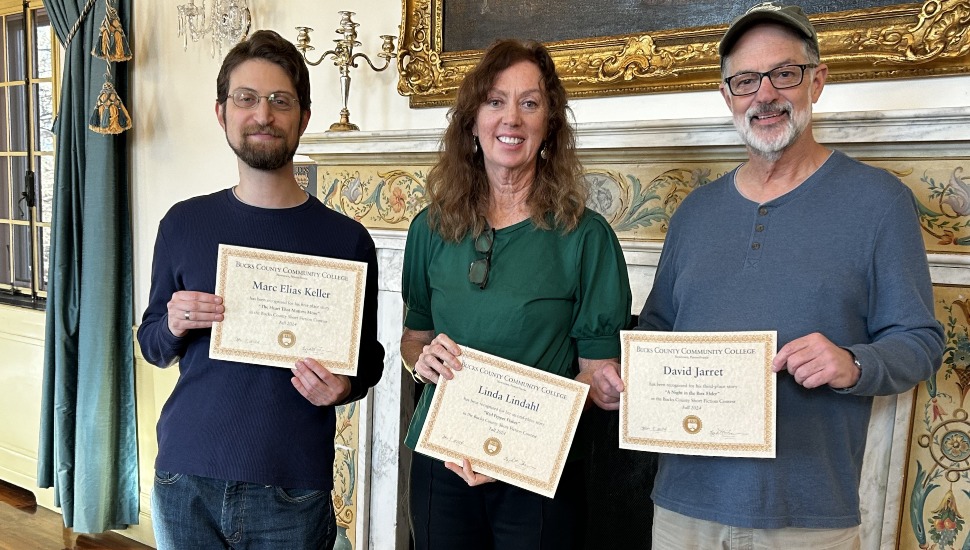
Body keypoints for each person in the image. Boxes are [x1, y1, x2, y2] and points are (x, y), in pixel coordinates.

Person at [589, 2, 944, 548]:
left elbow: (919, 341)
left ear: (817, 81)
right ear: (728, 96)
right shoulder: (694, 212)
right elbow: (658, 331)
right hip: (683, 507)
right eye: (746, 80)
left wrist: (852, 362)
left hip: (807, 513)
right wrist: (624, 379)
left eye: (784, 73)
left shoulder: (879, 203)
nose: (765, 94)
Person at [137, 30, 384, 549]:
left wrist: (344, 387)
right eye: (246, 99)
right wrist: (175, 321)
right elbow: (152, 343)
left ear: (304, 117)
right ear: (222, 112)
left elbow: (368, 360)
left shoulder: (347, 239)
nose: (263, 115)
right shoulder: (184, 223)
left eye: (280, 101)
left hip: (291, 484)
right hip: (186, 478)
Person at [400, 39, 632, 550]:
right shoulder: (430, 229)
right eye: (495, 101)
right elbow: (413, 338)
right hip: (442, 462)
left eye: (530, 103)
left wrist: (606, 391)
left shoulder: (586, 237)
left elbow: (595, 374)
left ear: (549, 125)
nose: (512, 118)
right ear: (473, 121)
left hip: (538, 473)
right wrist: (422, 360)